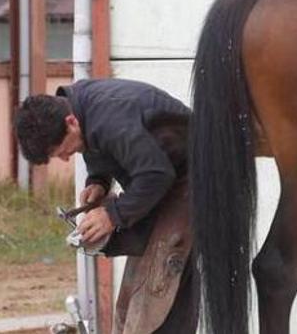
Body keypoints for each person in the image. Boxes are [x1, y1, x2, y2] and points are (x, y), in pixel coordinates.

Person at [15, 78, 197, 334]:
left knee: (156, 292)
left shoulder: (111, 117)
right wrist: (98, 181)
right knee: (131, 303)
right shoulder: (78, 109)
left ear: (70, 122)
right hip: (166, 185)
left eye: (63, 151)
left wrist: (112, 215)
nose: (66, 158)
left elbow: (156, 174)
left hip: (195, 180)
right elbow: (99, 146)